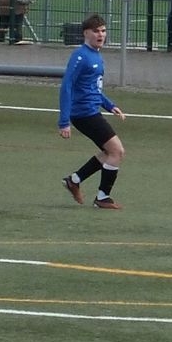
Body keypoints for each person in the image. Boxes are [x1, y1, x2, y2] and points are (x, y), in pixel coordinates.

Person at [58, 14, 125, 209]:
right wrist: (64, 121)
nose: (100, 35)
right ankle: (102, 197)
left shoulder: (96, 55)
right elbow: (67, 86)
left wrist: (109, 105)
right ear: (85, 33)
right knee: (117, 151)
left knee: (108, 152)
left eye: (103, 31)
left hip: (91, 111)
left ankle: (74, 180)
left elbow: (93, 88)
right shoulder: (80, 56)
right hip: (83, 114)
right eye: (96, 31)